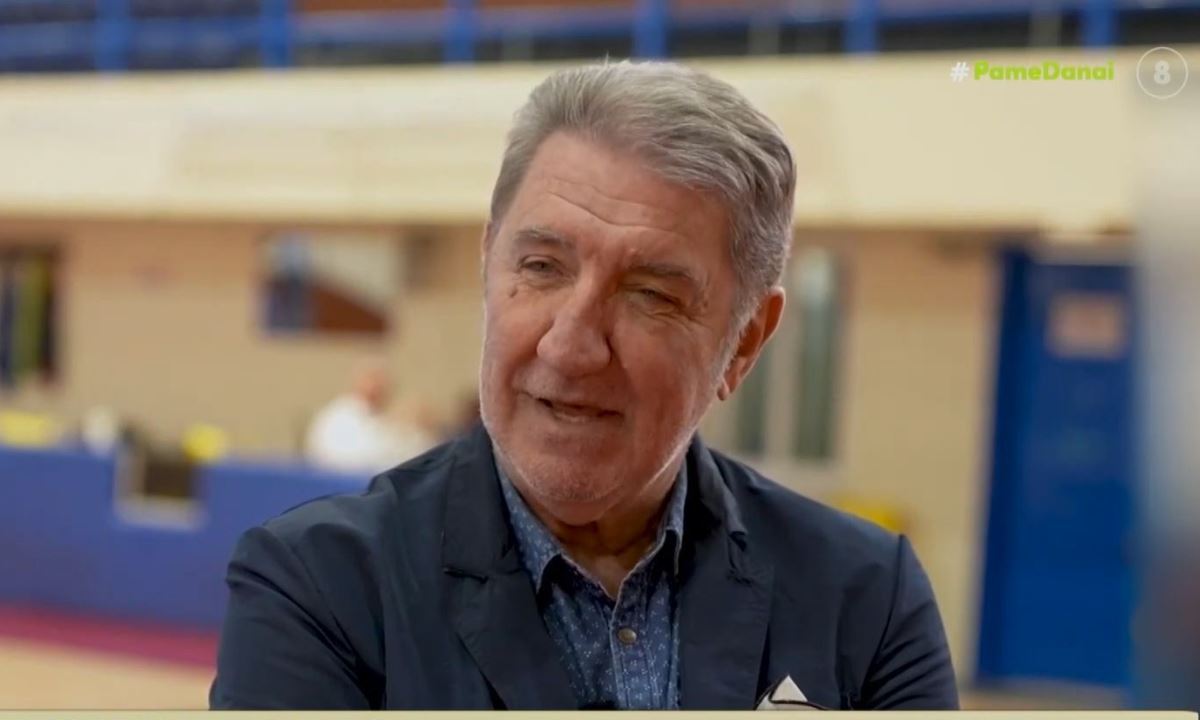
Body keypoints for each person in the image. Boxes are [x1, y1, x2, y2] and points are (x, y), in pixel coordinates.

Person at [211, 61, 959, 710]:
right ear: (488, 266)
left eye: (651, 295)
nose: (570, 346)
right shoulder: (319, 588)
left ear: (745, 343)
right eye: (541, 268)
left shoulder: (865, 599)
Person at [304, 359, 434, 475]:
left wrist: (414, 430)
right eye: (373, 380)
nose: (377, 388)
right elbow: (353, 460)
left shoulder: (382, 421)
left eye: (383, 385)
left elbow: (417, 455)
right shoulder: (339, 417)